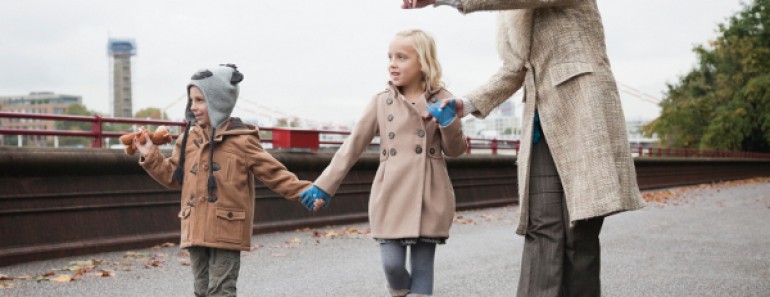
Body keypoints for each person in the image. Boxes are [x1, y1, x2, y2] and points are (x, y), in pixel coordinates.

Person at [403, 1, 647, 296]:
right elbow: (513, 69)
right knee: (541, 227)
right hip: (540, 124)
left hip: (582, 113)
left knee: (580, 232)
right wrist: (465, 104)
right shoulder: (509, 12)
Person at [299, 29, 466, 297]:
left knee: (423, 268)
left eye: (402, 57)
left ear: (423, 62)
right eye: (390, 56)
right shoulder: (381, 102)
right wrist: (324, 186)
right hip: (390, 193)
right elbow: (352, 146)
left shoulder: (443, 98)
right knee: (392, 265)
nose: (392, 63)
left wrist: (448, 121)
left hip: (429, 193)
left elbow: (456, 150)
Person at [135, 64, 327, 297]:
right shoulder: (189, 138)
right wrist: (149, 153)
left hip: (226, 228)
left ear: (219, 101)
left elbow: (275, 173)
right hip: (194, 227)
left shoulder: (242, 141)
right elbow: (173, 176)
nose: (193, 107)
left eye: (200, 100)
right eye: (191, 100)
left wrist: (305, 191)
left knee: (221, 291)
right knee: (201, 290)